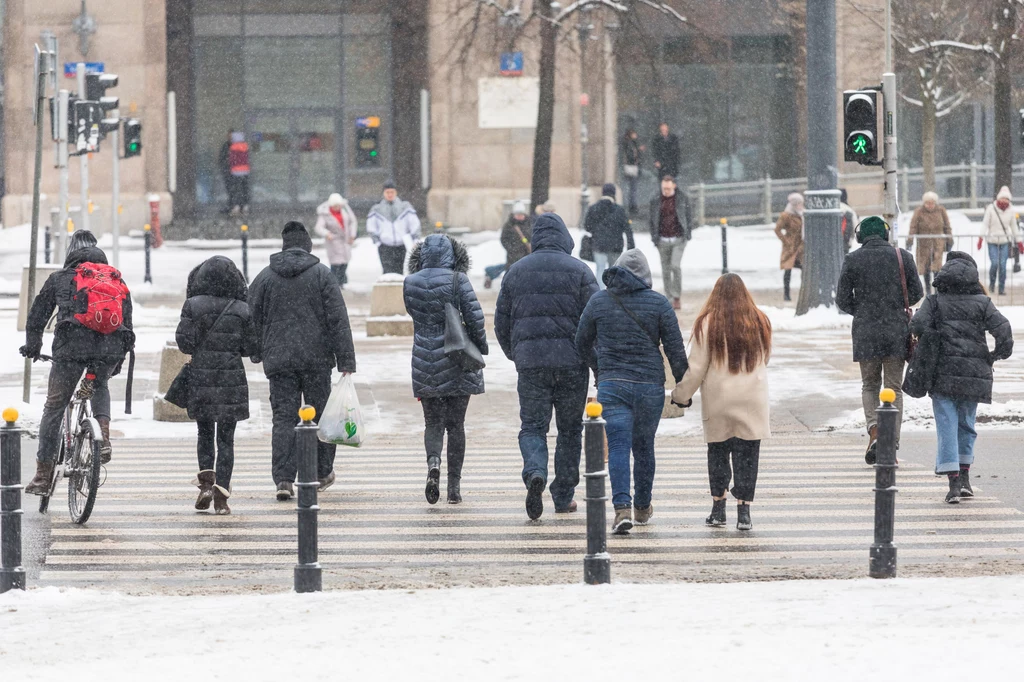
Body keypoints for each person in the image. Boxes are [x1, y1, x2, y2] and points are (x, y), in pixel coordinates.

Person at [495, 212, 600, 520]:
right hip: (572, 364)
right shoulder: (580, 271)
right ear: (565, 237)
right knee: (570, 430)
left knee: (532, 427)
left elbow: (502, 321)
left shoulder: (516, 272)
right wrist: (594, 362)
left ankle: (535, 472)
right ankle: (563, 495)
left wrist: (515, 353)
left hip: (532, 366)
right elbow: (595, 320)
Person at [575, 249, 687, 534]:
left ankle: (622, 507)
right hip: (650, 387)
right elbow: (675, 350)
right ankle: (642, 507)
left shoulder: (599, 301)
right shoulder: (659, 304)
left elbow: (580, 343)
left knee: (618, 446)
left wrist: (599, 368)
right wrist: (682, 388)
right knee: (644, 446)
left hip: (613, 385)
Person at [20, 231, 135, 493]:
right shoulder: (116, 280)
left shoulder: (60, 278)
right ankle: (103, 437)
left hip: (71, 348)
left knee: (55, 406)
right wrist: (117, 359)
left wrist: (32, 346)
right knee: (100, 385)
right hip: (110, 347)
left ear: (71, 255)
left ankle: (42, 476)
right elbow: (126, 323)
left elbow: (37, 315)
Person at [249, 221, 357, 500]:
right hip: (316, 359)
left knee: (283, 417)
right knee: (322, 415)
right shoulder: (322, 275)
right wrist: (345, 359)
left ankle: (284, 479)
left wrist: (256, 351)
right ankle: (321, 472)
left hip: (279, 360)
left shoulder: (265, 278)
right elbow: (338, 319)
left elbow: (252, 319)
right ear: (308, 246)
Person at [909, 252, 1012, 503]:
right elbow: (1004, 329)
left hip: (941, 372)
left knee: (947, 426)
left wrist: (934, 333)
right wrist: (996, 354)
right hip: (974, 374)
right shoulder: (983, 302)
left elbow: (917, 327)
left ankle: (953, 483)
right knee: (966, 424)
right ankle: (965, 478)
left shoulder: (934, 302)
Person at [672, 274, 771, 531]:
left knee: (718, 452)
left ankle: (718, 509)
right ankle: (744, 512)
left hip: (719, 400)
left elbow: (696, 368)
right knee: (748, 454)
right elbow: (765, 359)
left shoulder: (707, 324)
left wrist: (680, 396)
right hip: (752, 399)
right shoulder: (759, 321)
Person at [404, 234, 488, 505]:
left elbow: (414, 314)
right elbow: (474, 316)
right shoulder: (457, 279)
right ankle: (454, 488)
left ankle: (433, 464)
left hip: (424, 360)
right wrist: (481, 347)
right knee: (456, 425)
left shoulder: (410, 282)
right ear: (453, 255)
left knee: (432, 423)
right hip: (457, 359)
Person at [836, 216, 923, 464]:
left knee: (870, 385)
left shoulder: (853, 259)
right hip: (896, 331)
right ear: (885, 235)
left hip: (866, 333)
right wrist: (894, 307)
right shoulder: (902, 256)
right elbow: (917, 293)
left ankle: (875, 430)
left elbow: (842, 300)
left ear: (861, 236)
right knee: (893, 387)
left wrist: (863, 310)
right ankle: (890, 442)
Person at [176, 257, 255, 515]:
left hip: (201, 378)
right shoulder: (242, 309)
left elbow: (185, 343)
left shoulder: (193, 306)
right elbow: (250, 348)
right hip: (231, 381)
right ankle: (222, 498)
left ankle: (206, 485)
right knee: (227, 441)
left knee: (205, 434)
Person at [648, 174, 692, 310]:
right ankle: (669, 297)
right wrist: (654, 237)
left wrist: (687, 233)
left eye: (668, 188)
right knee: (665, 269)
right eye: (664, 188)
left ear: (674, 186)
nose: (666, 191)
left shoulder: (682, 198)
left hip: (678, 238)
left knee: (675, 266)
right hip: (662, 239)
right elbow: (651, 219)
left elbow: (689, 216)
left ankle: (676, 296)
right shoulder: (656, 199)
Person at [584, 183, 635, 288]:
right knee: (614, 270)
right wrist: (631, 246)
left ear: (602, 193)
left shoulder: (593, 208)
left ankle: (601, 293)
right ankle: (613, 293)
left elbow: (587, 226)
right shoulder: (620, 210)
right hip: (615, 245)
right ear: (614, 194)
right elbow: (627, 229)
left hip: (598, 244)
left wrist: (597, 231)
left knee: (600, 269)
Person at [367, 181, 421, 275]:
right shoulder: (376, 209)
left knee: (400, 271)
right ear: (383, 193)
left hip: (401, 245)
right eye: (387, 192)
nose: (390, 195)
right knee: (387, 271)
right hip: (385, 245)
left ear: (396, 192)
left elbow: (414, 223)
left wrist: (415, 238)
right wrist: (377, 241)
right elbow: (371, 226)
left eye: (392, 192)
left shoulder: (405, 207)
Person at [907, 191, 953, 295]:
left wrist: (950, 239)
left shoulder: (941, 211)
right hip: (924, 244)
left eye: (932, 203)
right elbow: (913, 226)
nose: (930, 205)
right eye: (927, 203)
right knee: (925, 267)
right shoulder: (919, 212)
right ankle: (928, 290)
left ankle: (936, 289)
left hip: (938, 243)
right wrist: (910, 240)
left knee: (937, 267)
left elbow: (947, 226)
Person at [980, 186, 1022, 296]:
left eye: (1006, 199)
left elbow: (1014, 227)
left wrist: (1019, 242)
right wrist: (980, 237)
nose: (1004, 201)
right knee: (994, 264)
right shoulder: (991, 208)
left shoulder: (1011, 210)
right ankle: (992, 284)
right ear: (998, 198)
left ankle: (1001, 288)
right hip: (992, 241)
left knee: (1003, 265)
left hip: (1004, 241)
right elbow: (985, 223)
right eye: (1002, 198)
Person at [313, 192, 358, 288]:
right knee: (336, 264)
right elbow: (319, 227)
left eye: (339, 205)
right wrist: (327, 233)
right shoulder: (324, 214)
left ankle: (341, 281)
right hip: (333, 241)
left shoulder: (345, 209)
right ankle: (334, 283)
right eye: (335, 206)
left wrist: (352, 235)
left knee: (345, 262)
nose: (337, 208)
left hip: (345, 240)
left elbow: (352, 221)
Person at [484, 201, 532, 289]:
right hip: (513, 254)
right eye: (518, 214)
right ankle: (491, 273)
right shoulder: (509, 225)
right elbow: (503, 239)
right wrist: (511, 248)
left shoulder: (529, 223)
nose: (520, 216)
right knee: (512, 270)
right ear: (514, 214)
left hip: (526, 254)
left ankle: (490, 272)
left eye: (521, 214)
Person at [774, 193, 804, 302]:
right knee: (788, 269)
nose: (801, 205)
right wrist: (786, 241)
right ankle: (786, 294)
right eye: (799, 203)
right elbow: (777, 229)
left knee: (804, 268)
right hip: (790, 247)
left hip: (801, 246)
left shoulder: (802, 214)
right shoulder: (786, 215)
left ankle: (803, 292)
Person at [620, 129, 644, 215]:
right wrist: (638, 151)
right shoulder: (630, 143)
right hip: (632, 167)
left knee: (632, 188)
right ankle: (632, 206)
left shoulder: (629, 143)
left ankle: (632, 205)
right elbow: (631, 156)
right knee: (633, 188)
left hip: (631, 167)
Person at [226, 131, 250, 215]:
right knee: (244, 189)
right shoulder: (245, 147)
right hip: (245, 171)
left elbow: (232, 160)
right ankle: (245, 205)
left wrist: (230, 167)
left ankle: (237, 206)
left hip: (236, 171)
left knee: (236, 189)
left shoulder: (233, 147)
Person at [218, 130, 234, 214]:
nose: (230, 137)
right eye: (229, 136)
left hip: (235, 172)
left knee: (235, 190)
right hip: (228, 172)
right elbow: (221, 158)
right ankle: (231, 206)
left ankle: (234, 206)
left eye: (231, 136)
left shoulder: (236, 145)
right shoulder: (226, 146)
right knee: (230, 189)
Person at [839, 188, 858, 255]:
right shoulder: (849, 210)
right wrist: (850, 241)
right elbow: (856, 228)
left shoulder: (830, 209)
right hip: (845, 242)